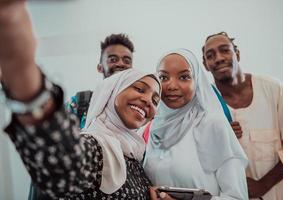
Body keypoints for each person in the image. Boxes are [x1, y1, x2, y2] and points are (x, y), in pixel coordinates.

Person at [0, 1, 162, 199]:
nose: (148, 101)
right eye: (138, 88)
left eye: (156, 100)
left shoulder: (137, 154)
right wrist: (24, 77)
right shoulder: (98, 148)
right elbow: (65, 158)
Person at [202, 32, 283, 200]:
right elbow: (199, 158)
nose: (218, 58)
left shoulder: (274, 89)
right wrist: (220, 138)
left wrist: (263, 184)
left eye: (224, 50)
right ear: (205, 65)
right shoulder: (205, 104)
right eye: (210, 56)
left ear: (237, 54)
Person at [143, 49, 249, 200]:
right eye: (163, 77)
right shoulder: (154, 128)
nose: (172, 86)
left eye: (184, 77)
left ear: (197, 81)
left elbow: (237, 197)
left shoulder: (213, 125)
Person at [66, 33, 135, 129]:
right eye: (113, 59)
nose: (120, 63)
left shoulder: (139, 107)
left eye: (127, 61)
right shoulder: (79, 102)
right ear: (100, 67)